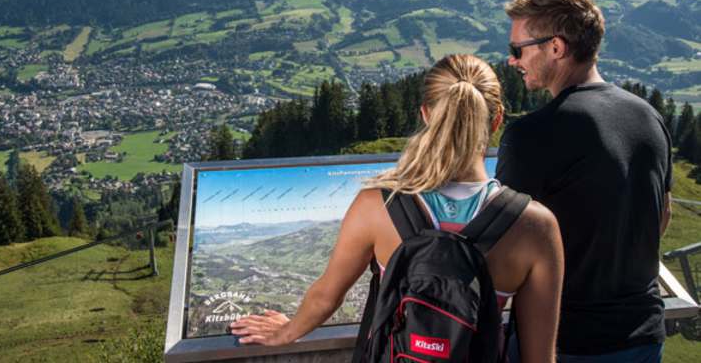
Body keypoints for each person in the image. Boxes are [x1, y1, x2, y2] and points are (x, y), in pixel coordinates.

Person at [231, 54, 564, 362]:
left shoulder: (378, 205)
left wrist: (284, 332)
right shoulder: (535, 226)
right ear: (497, 121)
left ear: (425, 114)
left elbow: (325, 298)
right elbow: (539, 357)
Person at [496, 0, 672, 362]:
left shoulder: (531, 135)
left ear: (556, 48)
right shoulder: (649, 117)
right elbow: (662, 215)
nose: (513, 61)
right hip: (642, 335)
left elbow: (502, 249)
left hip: (562, 341)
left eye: (518, 50)